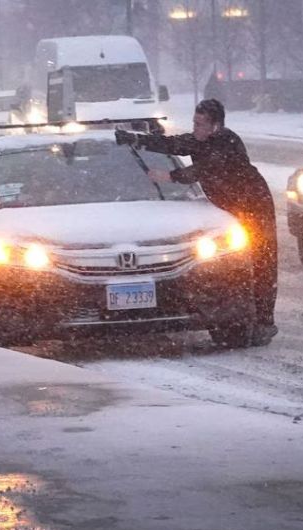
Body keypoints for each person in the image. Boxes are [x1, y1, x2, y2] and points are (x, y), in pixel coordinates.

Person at [116, 99, 278, 346]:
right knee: (239, 262)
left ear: (216, 126)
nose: (195, 128)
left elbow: (204, 169)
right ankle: (245, 315)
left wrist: (168, 176)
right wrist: (137, 140)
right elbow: (173, 144)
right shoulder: (198, 140)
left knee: (260, 260)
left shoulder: (227, 143)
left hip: (254, 204)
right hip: (229, 205)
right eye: (194, 122)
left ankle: (264, 321)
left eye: (200, 124)